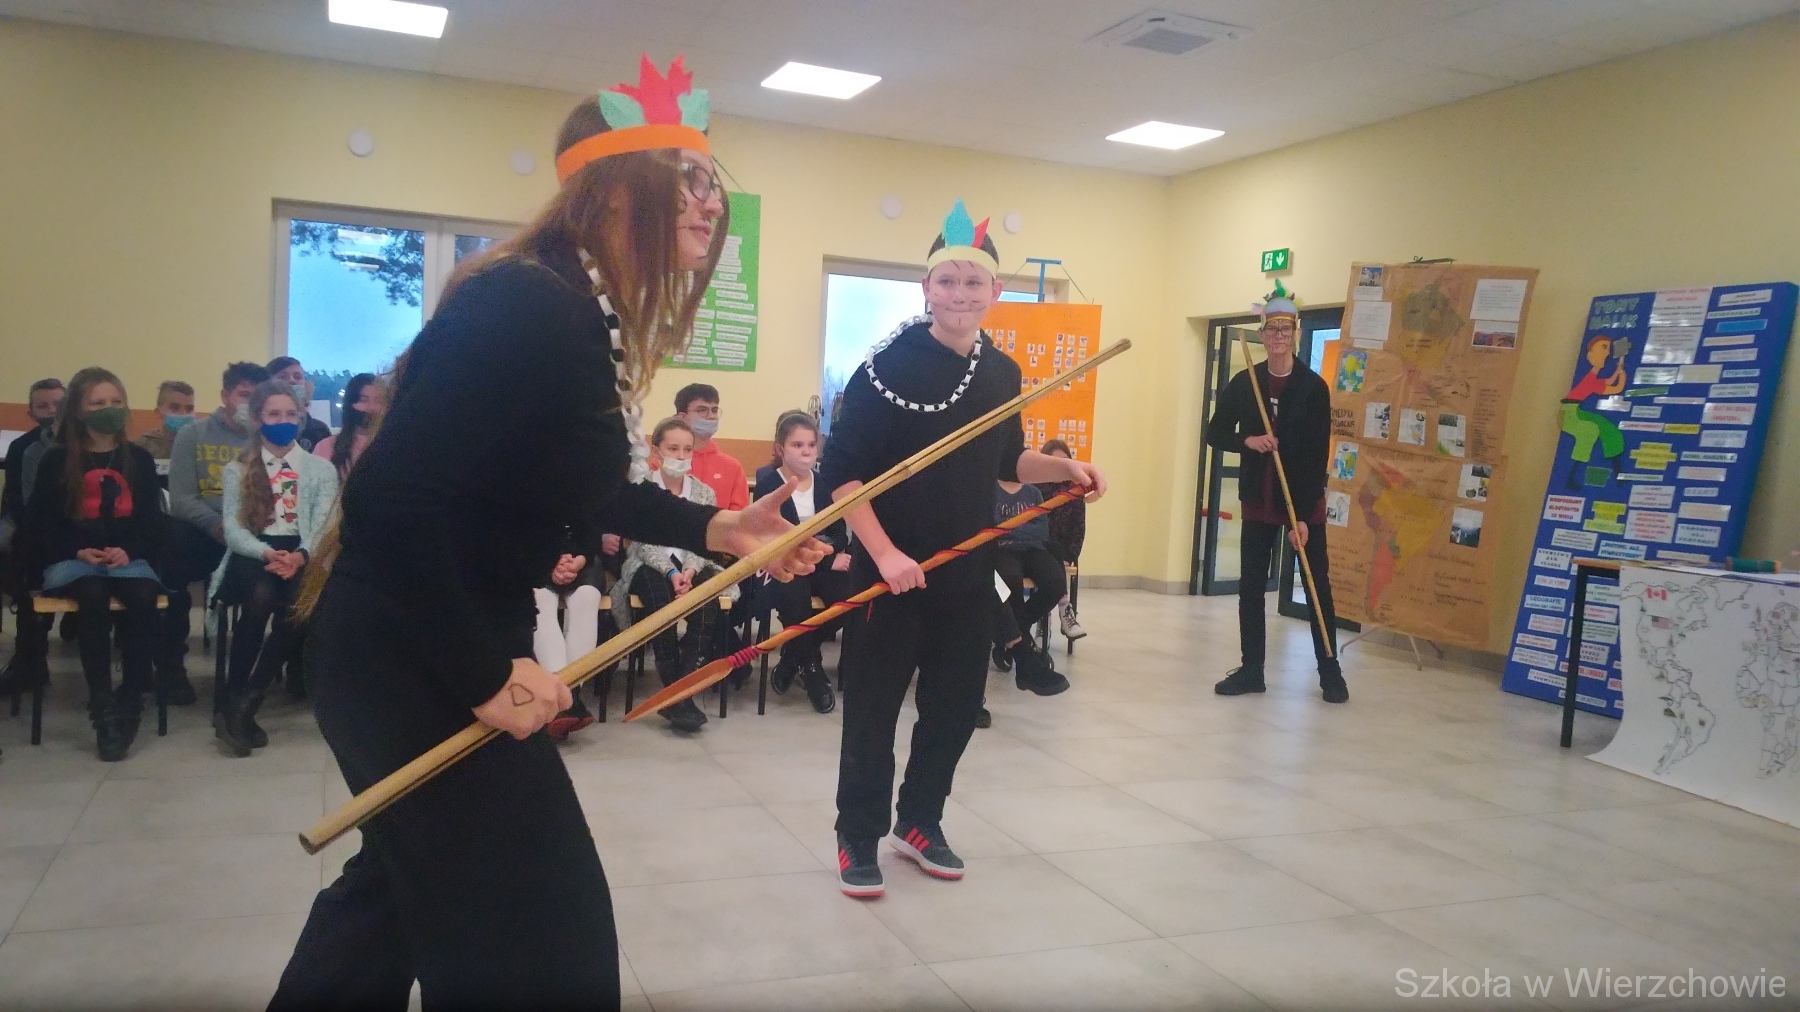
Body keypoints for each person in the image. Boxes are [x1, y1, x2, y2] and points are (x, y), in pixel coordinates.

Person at [270, 55, 823, 1011]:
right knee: (539, 932)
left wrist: (718, 524)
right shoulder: (527, 301)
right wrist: (483, 672)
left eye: (711, 182)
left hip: (439, 638)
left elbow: (585, 484)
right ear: (614, 190)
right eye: (687, 179)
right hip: (409, 651)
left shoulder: (574, 307)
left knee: (402, 895)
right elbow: (393, 500)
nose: (710, 204)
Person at [819, 199, 1105, 899]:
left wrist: (1064, 469)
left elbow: (1007, 462)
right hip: (889, 572)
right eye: (947, 281)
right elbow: (841, 476)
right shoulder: (883, 368)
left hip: (966, 570)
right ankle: (859, 833)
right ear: (926, 288)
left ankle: (919, 821)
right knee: (874, 709)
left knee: (954, 706)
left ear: (994, 291)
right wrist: (885, 554)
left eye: (973, 282)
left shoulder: (1002, 372)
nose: (960, 294)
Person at [1204, 283, 1346, 704]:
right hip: (1259, 499)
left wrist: (1302, 516)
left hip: (1303, 501)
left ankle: (1331, 673)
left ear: (1296, 333)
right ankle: (1252, 670)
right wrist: (1247, 441)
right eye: (1272, 329)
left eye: (1286, 329)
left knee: (1317, 587)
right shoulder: (1245, 382)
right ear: (1262, 335)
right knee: (1251, 587)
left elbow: (1317, 454)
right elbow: (1215, 433)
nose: (1279, 336)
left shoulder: (1313, 387)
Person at [24, 368, 165, 761]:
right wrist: (77, 550)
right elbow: (41, 522)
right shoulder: (57, 460)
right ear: (78, 410)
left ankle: (131, 699)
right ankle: (102, 706)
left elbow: (151, 521)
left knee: (143, 596)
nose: (109, 409)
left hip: (127, 558)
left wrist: (128, 550)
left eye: (116, 401)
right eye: (98, 403)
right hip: (73, 559)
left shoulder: (138, 459)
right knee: (92, 593)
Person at [210, 380, 339, 756]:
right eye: (273, 414)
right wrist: (268, 554)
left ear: (301, 417)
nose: (283, 421)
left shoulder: (320, 469)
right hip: (254, 553)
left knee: (300, 605)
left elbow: (323, 525)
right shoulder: (238, 469)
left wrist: (299, 556)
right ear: (257, 419)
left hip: (302, 552)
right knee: (260, 596)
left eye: (290, 414)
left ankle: (245, 703)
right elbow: (234, 530)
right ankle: (235, 691)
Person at [611, 417, 735, 733]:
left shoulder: (704, 492)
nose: (680, 456)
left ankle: (680, 693)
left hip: (695, 564)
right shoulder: (641, 488)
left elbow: (706, 537)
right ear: (656, 451)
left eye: (687, 450)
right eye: (673, 448)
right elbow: (642, 544)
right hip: (649, 565)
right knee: (659, 600)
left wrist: (689, 569)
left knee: (707, 602)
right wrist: (670, 572)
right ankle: (677, 693)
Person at [158, 362, 268, 705]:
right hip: (204, 533)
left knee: (270, 581)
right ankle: (171, 668)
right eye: (244, 395)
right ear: (225, 396)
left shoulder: (269, 439)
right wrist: (217, 526)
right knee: (172, 550)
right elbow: (182, 499)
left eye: (258, 398)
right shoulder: (193, 435)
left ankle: (243, 679)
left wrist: (243, 532)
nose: (250, 405)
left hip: (252, 536)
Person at [753, 411, 850, 714]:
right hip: (783, 564)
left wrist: (828, 555)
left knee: (849, 598)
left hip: (820, 559)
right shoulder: (769, 484)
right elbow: (772, 538)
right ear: (780, 449)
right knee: (795, 597)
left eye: (811, 445)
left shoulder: (825, 483)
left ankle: (792, 658)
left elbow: (838, 532)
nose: (806, 451)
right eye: (797, 445)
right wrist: (824, 559)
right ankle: (812, 672)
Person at [0, 377, 64, 689]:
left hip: (76, 527)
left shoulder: (91, 444)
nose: (51, 411)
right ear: (31, 413)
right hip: (28, 519)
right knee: (18, 547)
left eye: (58, 404)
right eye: (43, 406)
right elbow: (18, 500)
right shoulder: (23, 447)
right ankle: (29, 653)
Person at [991, 477, 1069, 694]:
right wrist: (1024, 526)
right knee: (1010, 579)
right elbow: (992, 528)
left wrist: (1009, 527)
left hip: (1034, 550)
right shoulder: (990, 489)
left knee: (1056, 583)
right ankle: (1022, 649)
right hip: (1003, 550)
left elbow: (1041, 530)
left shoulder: (1034, 493)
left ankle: (1015, 635)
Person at [531, 526, 606, 741]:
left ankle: (568, 695)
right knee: (540, 600)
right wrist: (551, 562)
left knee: (587, 598)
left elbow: (592, 536)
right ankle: (565, 701)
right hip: (536, 561)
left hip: (582, 561)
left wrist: (577, 562)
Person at [1558, 335, 1627, 489]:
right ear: (1590, 354)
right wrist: (1621, 374)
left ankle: (1619, 474)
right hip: (1569, 414)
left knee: (1607, 428)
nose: (1607, 353)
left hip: (1574, 410)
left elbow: (1609, 381)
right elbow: (1616, 388)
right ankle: (1571, 478)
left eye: (1608, 348)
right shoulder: (1590, 380)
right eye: (1604, 347)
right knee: (1590, 431)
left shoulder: (1592, 378)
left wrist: (1619, 370)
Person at [1035, 438, 1086, 641]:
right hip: (1037, 550)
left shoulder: (1074, 491)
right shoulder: (1035, 489)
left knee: (1055, 555)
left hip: (1062, 552)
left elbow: (1078, 529)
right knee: (1047, 556)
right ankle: (1061, 612)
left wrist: (1070, 556)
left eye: (1065, 461)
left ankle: (1051, 619)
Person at [675, 382, 748, 510]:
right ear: (682, 417)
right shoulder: (666, 463)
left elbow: (739, 516)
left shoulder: (733, 467)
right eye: (702, 410)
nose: (711, 416)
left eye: (714, 410)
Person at [312, 372, 381, 478]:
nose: (371, 407)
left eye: (378, 401)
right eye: (364, 400)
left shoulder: (396, 446)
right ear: (350, 404)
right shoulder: (327, 447)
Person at [132, 380, 197, 484]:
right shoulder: (142, 446)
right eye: (175, 408)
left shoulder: (201, 445)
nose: (183, 413)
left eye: (189, 409)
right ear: (158, 412)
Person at [266, 356, 333, 452]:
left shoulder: (319, 430)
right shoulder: (261, 426)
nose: (292, 381)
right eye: (282, 377)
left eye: (297, 377)